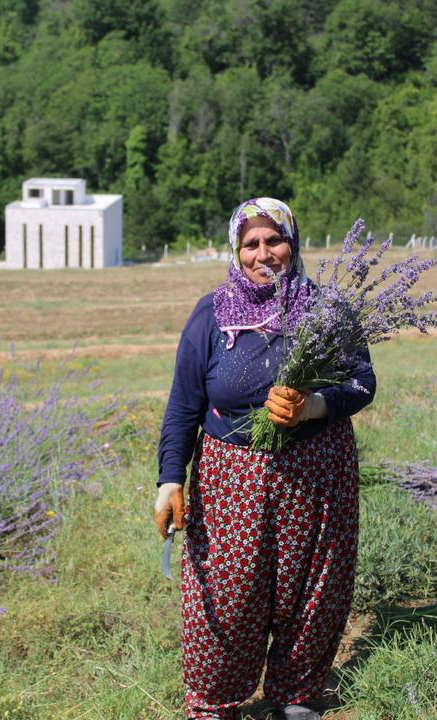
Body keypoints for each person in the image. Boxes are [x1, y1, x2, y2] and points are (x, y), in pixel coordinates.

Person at [154, 198, 377, 720]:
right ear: (236, 250)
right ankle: (214, 703)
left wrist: (314, 405)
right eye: (250, 243)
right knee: (229, 599)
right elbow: (184, 404)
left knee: (312, 589)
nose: (263, 253)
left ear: (292, 244)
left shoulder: (328, 310)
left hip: (317, 472)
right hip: (230, 478)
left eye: (273, 240)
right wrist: (169, 480)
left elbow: (362, 383)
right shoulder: (210, 314)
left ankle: (296, 697)